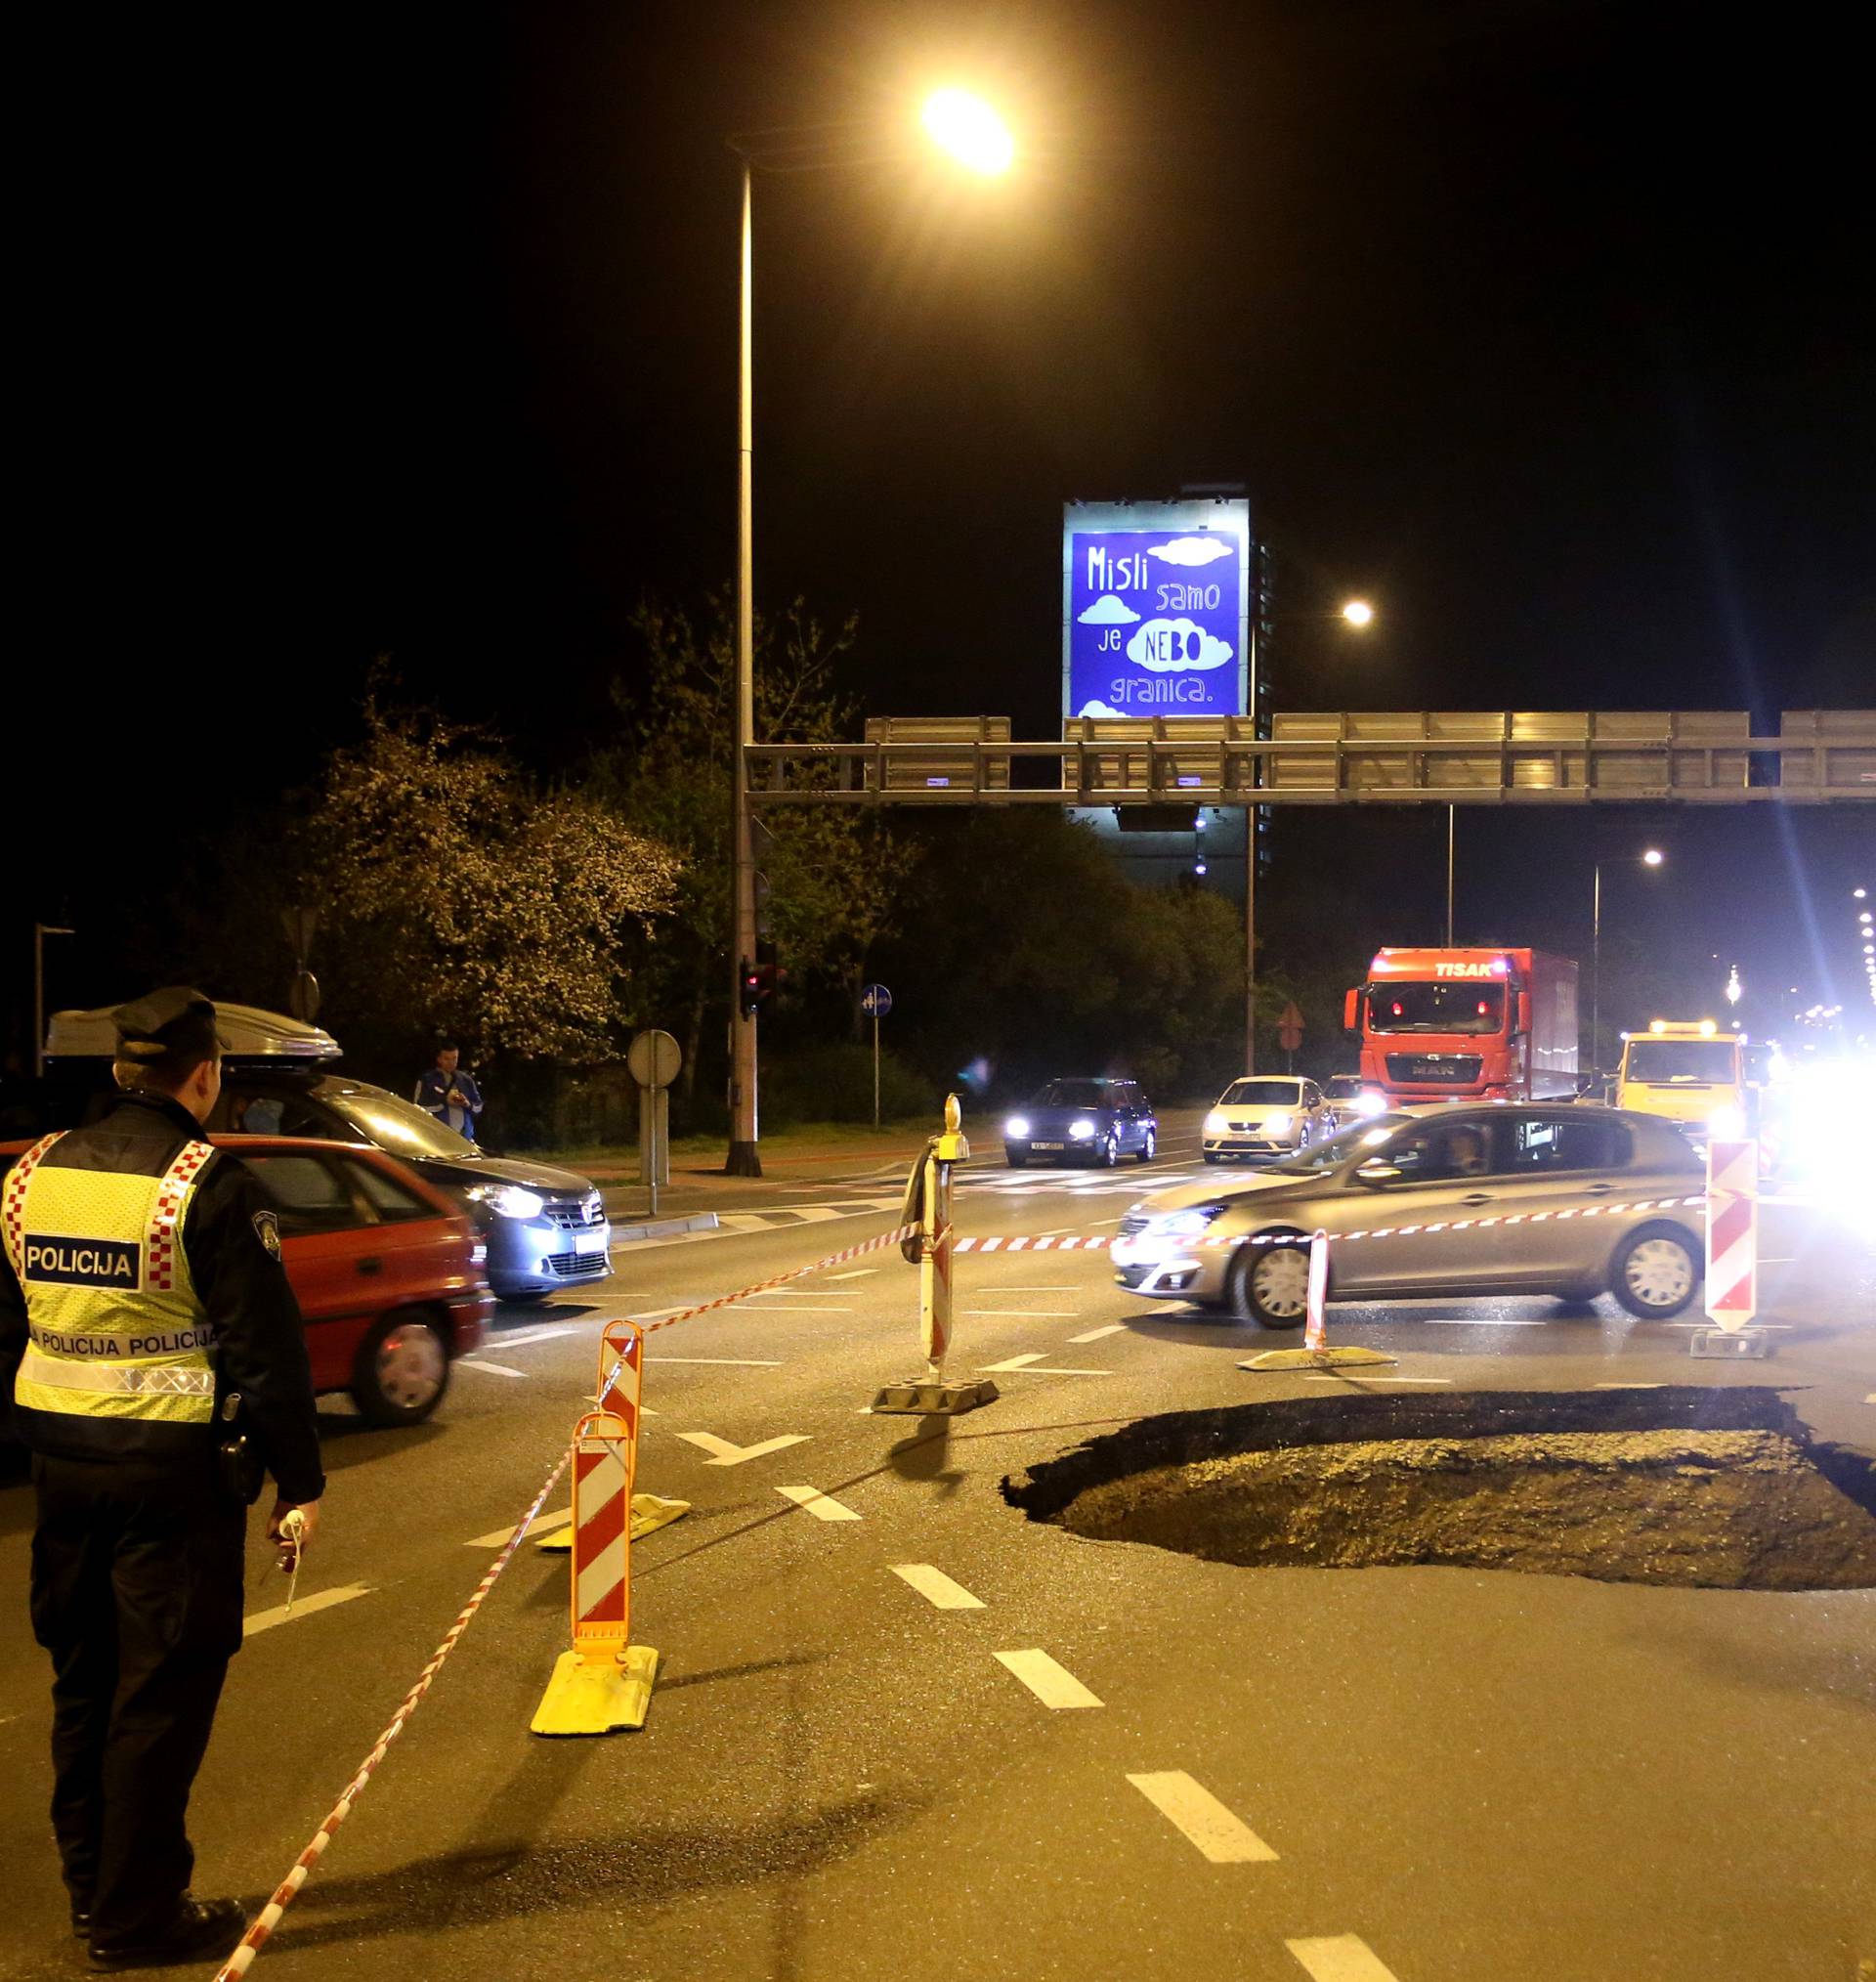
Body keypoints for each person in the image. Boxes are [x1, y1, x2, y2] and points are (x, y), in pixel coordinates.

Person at [0, 987, 324, 1971]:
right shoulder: (206, 1186)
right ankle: (139, 1916)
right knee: (160, 1696)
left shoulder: (31, 1174)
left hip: (61, 1471)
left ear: (117, 1073)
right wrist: (298, 1482)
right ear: (205, 1075)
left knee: (83, 1686)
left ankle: (92, 1890)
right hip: (170, 1480)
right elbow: (265, 1353)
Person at [413, 1040, 482, 1140]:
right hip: (437, 1136)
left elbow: (479, 1107)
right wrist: (444, 1101)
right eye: (447, 1059)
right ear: (439, 1059)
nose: (451, 1063)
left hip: (464, 1137)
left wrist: (467, 1104)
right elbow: (417, 1107)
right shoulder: (427, 1079)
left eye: (454, 1058)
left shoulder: (466, 1080)